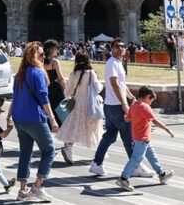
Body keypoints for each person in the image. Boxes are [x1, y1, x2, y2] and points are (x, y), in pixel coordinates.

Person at [90, 38, 154, 178]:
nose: (120, 48)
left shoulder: (118, 63)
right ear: (111, 49)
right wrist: (124, 104)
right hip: (117, 106)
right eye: (117, 46)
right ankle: (135, 166)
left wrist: (131, 97)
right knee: (129, 136)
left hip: (111, 105)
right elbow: (114, 84)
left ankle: (97, 163)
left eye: (122, 46)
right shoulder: (112, 63)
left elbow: (122, 84)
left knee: (110, 136)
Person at [4, 42, 56, 202]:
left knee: (25, 153)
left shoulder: (20, 74)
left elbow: (15, 97)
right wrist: (52, 119)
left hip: (19, 118)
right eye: (40, 54)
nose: (43, 56)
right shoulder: (37, 72)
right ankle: (37, 187)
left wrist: (9, 116)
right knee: (49, 150)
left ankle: (22, 190)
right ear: (33, 56)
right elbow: (43, 98)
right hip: (34, 118)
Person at [116, 86, 175, 191]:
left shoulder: (134, 105)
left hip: (139, 138)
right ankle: (123, 178)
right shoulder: (145, 107)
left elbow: (127, 119)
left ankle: (162, 174)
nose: (151, 103)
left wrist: (126, 113)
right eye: (151, 100)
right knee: (136, 159)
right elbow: (154, 121)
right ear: (147, 97)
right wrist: (167, 129)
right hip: (142, 139)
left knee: (152, 157)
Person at [55, 51, 104, 165]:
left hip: (77, 103)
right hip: (90, 104)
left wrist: (70, 96)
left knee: (75, 127)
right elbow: (98, 88)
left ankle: (68, 148)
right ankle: (101, 152)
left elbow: (68, 91)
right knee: (94, 128)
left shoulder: (73, 73)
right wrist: (100, 84)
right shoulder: (90, 73)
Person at [43, 40, 67, 126]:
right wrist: (66, 90)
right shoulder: (55, 62)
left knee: (48, 111)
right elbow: (61, 78)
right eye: (56, 48)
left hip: (45, 88)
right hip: (55, 89)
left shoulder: (41, 61)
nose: (57, 50)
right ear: (51, 49)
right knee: (60, 113)